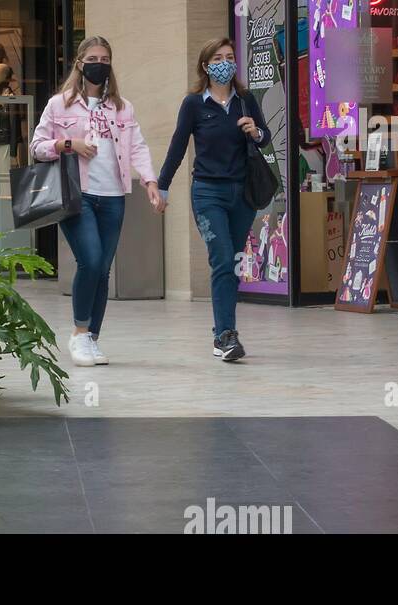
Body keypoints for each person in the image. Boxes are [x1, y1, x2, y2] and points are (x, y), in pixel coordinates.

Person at [30, 36, 162, 367]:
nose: (99, 64)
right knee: (89, 260)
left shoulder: (122, 107)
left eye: (105, 58)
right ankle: (79, 332)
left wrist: (150, 181)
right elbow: (36, 146)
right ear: (79, 62)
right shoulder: (59, 104)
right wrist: (67, 144)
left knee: (103, 269)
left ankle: (92, 338)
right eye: (93, 58)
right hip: (78, 194)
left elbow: (137, 147)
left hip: (114, 196)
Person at [154, 37, 272, 362]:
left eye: (230, 56)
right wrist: (161, 187)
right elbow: (178, 146)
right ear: (206, 66)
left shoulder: (245, 100)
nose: (225, 62)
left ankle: (224, 332)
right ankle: (225, 336)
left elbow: (266, 137)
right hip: (207, 192)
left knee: (232, 262)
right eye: (218, 57)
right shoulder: (193, 104)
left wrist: (256, 132)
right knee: (221, 259)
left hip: (242, 193)